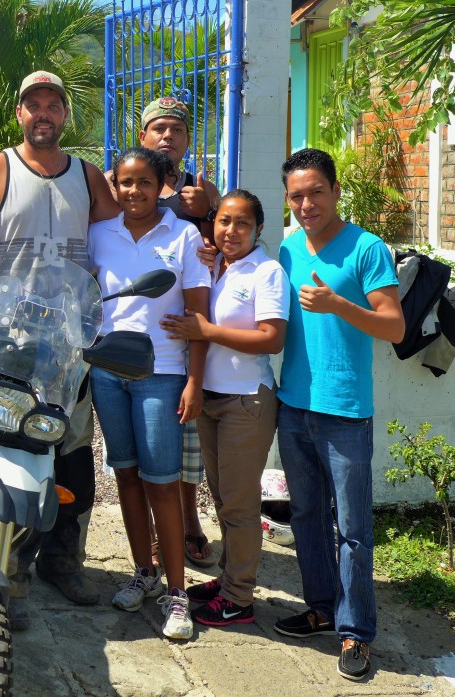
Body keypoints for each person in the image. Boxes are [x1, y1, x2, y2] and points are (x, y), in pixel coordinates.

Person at [0, 70, 120, 622]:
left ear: (65, 115)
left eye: (53, 105)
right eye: (32, 105)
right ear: (19, 114)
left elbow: (123, 237)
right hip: (5, 332)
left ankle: (63, 561)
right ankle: (1, 569)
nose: (43, 113)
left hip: (67, 339)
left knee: (71, 454)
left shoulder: (88, 177)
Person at [271, 148, 404, 681]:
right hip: (292, 405)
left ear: (335, 190)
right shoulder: (286, 249)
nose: (307, 204)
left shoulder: (367, 249)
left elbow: (393, 327)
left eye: (315, 193)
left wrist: (338, 304)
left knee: (352, 529)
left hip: (345, 412)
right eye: (297, 196)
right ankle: (322, 609)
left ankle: (356, 632)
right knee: (304, 517)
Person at [89, 146, 210, 640]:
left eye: (143, 182)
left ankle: (178, 594)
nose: (133, 191)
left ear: (162, 184)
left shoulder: (184, 236)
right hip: (107, 372)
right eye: (124, 182)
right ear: (113, 187)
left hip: (161, 373)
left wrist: (194, 381)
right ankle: (144, 572)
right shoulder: (99, 234)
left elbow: (200, 319)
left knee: (162, 481)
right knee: (126, 476)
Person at [161, 190, 289, 627]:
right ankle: (230, 577)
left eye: (242, 224)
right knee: (222, 498)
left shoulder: (266, 271)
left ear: (258, 230)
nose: (231, 231)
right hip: (213, 399)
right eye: (224, 222)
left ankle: (238, 599)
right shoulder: (214, 264)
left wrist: (207, 330)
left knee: (239, 504)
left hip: (245, 400)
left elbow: (272, 338)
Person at [108, 97, 221, 568]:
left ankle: (188, 523)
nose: (168, 136)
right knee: (136, 465)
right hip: (120, 355)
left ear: (188, 139)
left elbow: (232, 239)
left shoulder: (200, 192)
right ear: (143, 136)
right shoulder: (118, 201)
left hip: (179, 344)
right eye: (159, 128)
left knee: (181, 451)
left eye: (177, 129)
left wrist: (210, 212)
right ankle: (151, 551)